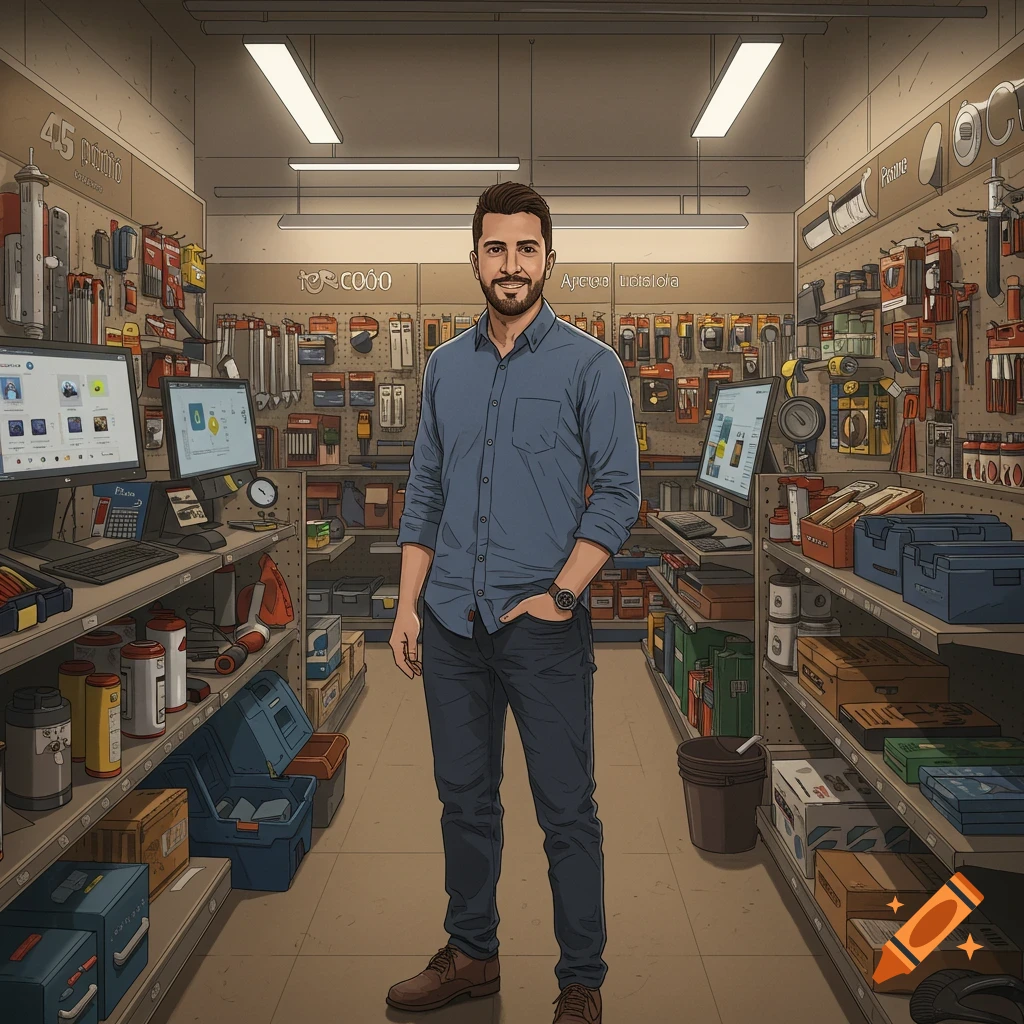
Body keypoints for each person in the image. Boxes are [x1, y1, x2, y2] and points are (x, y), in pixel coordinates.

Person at [387, 181, 640, 1024]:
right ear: (474, 260)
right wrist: (405, 606)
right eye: (495, 249)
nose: (510, 265)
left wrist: (563, 594)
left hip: (541, 627)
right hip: (451, 624)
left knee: (566, 808)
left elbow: (617, 496)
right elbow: (424, 493)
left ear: (549, 260)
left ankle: (581, 981)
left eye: (526, 249)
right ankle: (472, 955)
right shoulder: (444, 368)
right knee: (464, 798)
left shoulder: (591, 366)